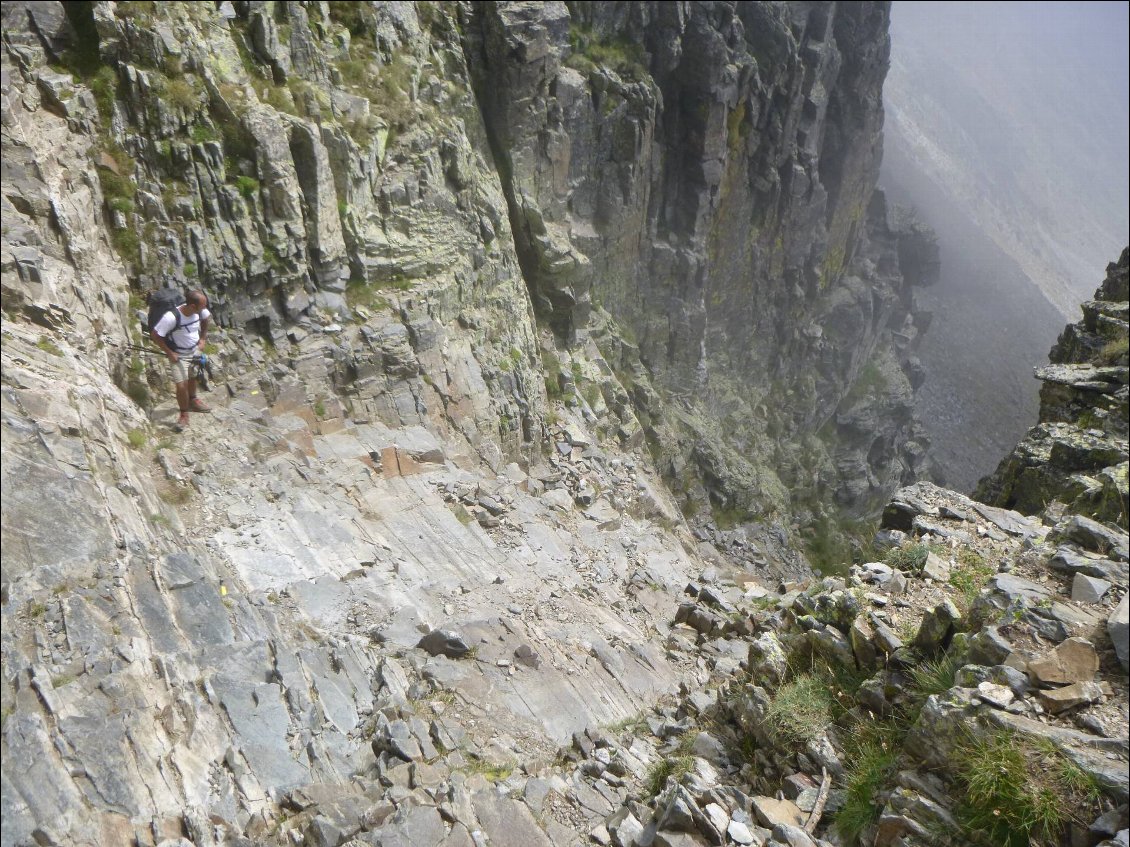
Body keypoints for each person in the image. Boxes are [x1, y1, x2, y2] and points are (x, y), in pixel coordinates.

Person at [150, 289, 212, 428]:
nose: (205, 309)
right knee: (181, 385)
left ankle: (193, 400)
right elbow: (155, 335)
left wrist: (202, 339)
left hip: (195, 350)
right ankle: (184, 414)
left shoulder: (200, 311)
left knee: (192, 376)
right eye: (203, 306)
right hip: (178, 354)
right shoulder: (171, 317)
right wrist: (169, 352)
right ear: (192, 306)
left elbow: (206, 320)